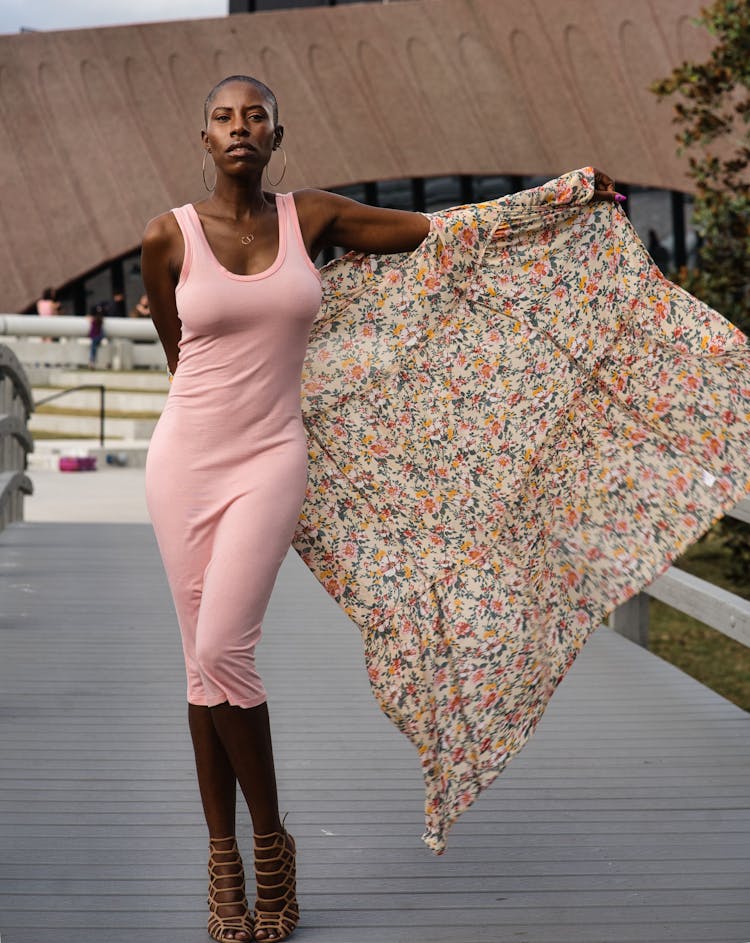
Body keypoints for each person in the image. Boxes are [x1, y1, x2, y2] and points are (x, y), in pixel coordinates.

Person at [141, 74, 619, 943]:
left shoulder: (310, 218)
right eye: (223, 117)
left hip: (272, 459)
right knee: (199, 668)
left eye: (256, 117)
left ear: (277, 137)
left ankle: (273, 845)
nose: (239, 128)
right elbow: (181, 355)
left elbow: (446, 232)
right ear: (203, 138)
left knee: (223, 649)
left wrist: (565, 198)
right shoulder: (166, 236)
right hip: (183, 462)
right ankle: (224, 861)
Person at [87, 302, 106, 368]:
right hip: (97, 337)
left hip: (95, 337)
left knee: (93, 349)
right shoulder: (99, 320)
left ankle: (92, 362)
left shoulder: (95, 321)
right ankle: (92, 362)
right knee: (93, 350)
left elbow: (93, 331)